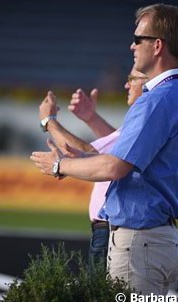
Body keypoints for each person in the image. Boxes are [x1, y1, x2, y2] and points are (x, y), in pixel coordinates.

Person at [31, 3, 178, 301]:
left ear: (157, 45)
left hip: (140, 241)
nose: (131, 46)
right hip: (154, 239)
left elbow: (114, 166)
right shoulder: (177, 92)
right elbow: (111, 155)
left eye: (138, 39)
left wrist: (60, 165)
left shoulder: (159, 98)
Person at [38, 67, 147, 272]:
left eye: (132, 79)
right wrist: (92, 118)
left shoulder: (146, 117)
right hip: (113, 227)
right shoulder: (145, 119)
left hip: (110, 228)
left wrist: (48, 121)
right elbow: (112, 150)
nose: (126, 84)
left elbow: (82, 153)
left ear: (149, 84)